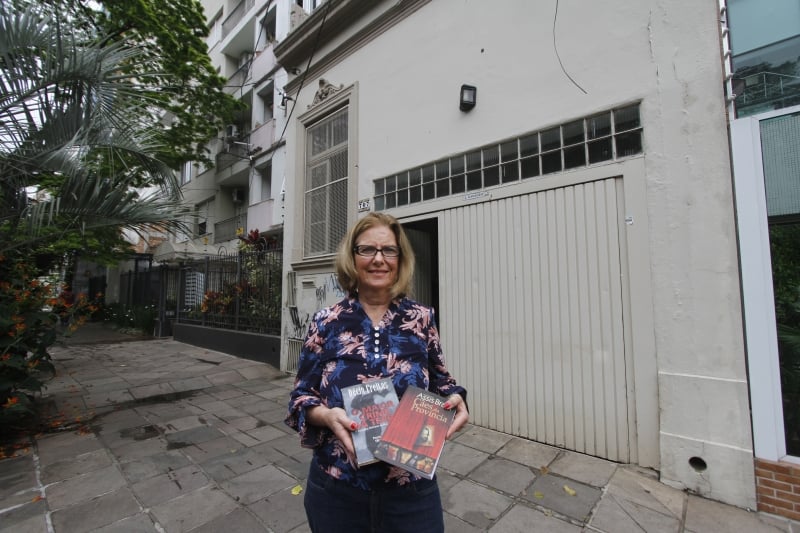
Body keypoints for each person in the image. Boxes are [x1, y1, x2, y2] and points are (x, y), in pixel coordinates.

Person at [286, 212, 469, 533]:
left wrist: (456, 399)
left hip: (410, 491)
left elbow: (443, 381)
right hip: (336, 489)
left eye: (389, 250)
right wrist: (326, 416)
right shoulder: (326, 322)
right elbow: (301, 398)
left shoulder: (422, 318)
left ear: (400, 258)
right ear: (352, 257)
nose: (379, 259)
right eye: (367, 249)